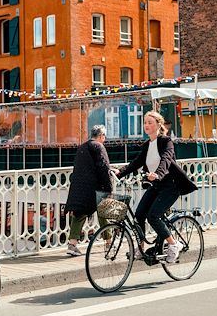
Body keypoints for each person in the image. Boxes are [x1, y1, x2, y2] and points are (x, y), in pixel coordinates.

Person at [117, 111, 197, 263]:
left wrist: (158, 174)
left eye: (150, 122)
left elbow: (166, 160)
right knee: (139, 214)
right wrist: (119, 172)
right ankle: (140, 248)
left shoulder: (166, 141)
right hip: (156, 185)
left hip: (171, 186)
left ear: (159, 125)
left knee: (153, 216)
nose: (146, 125)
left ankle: (174, 244)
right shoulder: (147, 145)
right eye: (145, 122)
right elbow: (136, 163)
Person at [63, 125, 112, 256]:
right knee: (104, 214)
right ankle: (109, 244)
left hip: (80, 188)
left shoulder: (82, 147)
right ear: (101, 136)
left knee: (79, 214)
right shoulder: (99, 147)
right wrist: (109, 188)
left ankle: (72, 245)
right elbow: (104, 167)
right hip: (95, 188)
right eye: (104, 137)